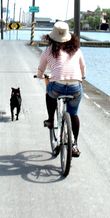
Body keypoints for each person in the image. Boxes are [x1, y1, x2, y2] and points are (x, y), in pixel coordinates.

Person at [36, 21, 86, 157]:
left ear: (51, 37)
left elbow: (40, 70)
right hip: (76, 86)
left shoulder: (47, 51)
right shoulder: (77, 50)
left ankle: (51, 119)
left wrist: (39, 76)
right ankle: (74, 144)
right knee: (73, 114)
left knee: (49, 92)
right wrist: (82, 76)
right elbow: (83, 69)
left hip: (57, 86)